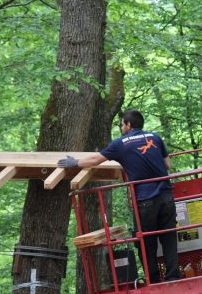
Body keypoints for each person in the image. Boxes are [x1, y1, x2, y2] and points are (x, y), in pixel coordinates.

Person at [58, 110, 180, 283]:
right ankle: (173, 276)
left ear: (128, 125)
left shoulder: (120, 144)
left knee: (146, 242)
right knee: (169, 238)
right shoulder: (155, 137)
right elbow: (167, 164)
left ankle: (153, 280)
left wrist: (74, 163)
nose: (122, 127)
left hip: (146, 201)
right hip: (167, 197)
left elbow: (94, 160)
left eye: (122, 124)